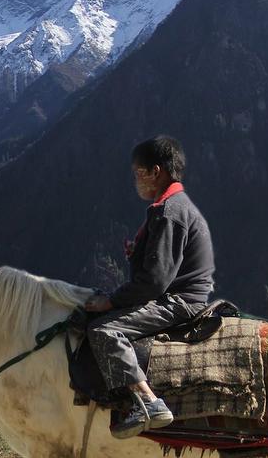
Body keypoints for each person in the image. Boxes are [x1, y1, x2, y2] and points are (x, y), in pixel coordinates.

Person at [84, 136, 216, 439]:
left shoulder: (170, 212)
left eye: (138, 173)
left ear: (156, 171)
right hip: (180, 294)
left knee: (104, 330)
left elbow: (155, 282)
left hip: (180, 301)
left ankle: (147, 402)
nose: (135, 180)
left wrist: (112, 302)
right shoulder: (173, 206)